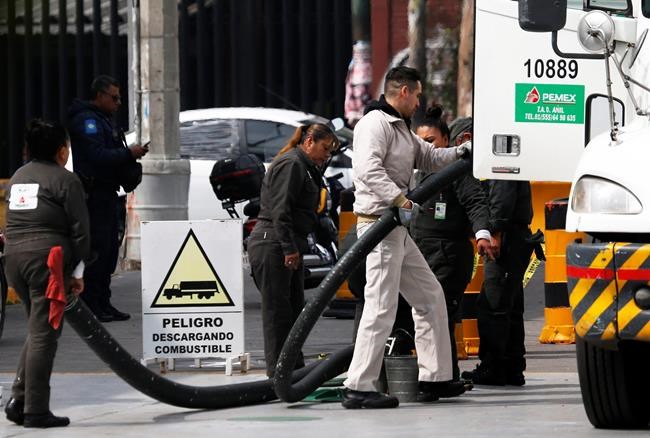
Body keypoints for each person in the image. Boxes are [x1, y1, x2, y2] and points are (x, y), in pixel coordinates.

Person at [342, 66, 470, 409]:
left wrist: (460, 152)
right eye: (417, 94)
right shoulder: (374, 125)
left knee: (430, 296)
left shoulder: (400, 128)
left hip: (396, 228)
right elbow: (367, 170)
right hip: (378, 226)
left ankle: (435, 377)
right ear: (403, 92)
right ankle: (358, 386)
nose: (418, 102)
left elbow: (429, 157)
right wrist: (400, 200)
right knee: (380, 307)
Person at [3, 120, 91, 428]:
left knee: (37, 329)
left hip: (14, 260)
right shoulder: (66, 180)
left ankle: (19, 400)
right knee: (45, 335)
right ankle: (36, 410)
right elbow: (81, 232)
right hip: (47, 262)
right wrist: (77, 271)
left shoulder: (18, 177)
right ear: (62, 151)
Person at [247, 124, 339, 378]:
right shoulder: (292, 164)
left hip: (286, 243)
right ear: (309, 142)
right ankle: (278, 374)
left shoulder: (306, 167)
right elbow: (281, 210)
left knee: (294, 312)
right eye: (324, 149)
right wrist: (289, 249)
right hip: (274, 243)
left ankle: (293, 369)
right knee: (278, 314)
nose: (326, 156)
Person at [410, 112, 495, 381]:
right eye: (420, 142)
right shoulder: (415, 171)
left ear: (446, 140)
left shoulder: (456, 170)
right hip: (420, 252)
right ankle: (436, 375)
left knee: (441, 313)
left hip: (447, 254)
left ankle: (445, 377)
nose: (426, 147)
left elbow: (475, 202)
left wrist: (482, 234)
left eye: (431, 140)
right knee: (426, 314)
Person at [67, 75, 148, 322]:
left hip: (108, 193)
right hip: (94, 195)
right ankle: (91, 304)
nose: (118, 103)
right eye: (114, 98)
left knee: (110, 250)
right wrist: (128, 154)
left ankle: (103, 301)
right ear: (100, 95)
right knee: (98, 250)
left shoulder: (102, 119)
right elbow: (97, 156)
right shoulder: (87, 121)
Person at [461, 178, 535, 386]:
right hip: (514, 234)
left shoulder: (500, 162)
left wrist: (495, 231)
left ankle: (493, 368)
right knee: (510, 305)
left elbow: (502, 194)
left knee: (493, 306)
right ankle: (512, 367)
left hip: (506, 236)